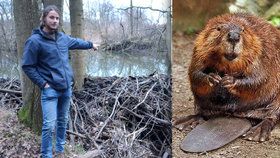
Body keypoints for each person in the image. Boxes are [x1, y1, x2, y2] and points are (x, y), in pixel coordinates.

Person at [21, 5, 98, 158]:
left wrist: (91, 45)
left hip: (66, 88)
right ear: (43, 19)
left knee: (62, 121)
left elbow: (77, 42)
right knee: (49, 126)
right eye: (51, 17)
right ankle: (46, 155)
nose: (55, 21)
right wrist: (43, 84)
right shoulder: (35, 41)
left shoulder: (63, 38)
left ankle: (60, 150)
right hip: (50, 90)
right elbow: (27, 66)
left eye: (57, 18)